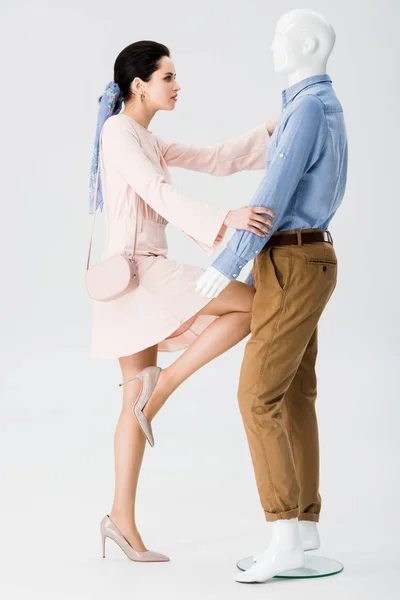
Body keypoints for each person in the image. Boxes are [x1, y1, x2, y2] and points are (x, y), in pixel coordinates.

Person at [89, 40, 277, 562]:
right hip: (138, 273)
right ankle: (164, 386)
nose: (177, 85)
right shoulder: (119, 133)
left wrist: (272, 130)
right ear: (139, 85)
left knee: (131, 403)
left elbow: (217, 159)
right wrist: (226, 220)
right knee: (254, 304)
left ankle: (119, 522)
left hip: (140, 275)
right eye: (168, 77)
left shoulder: (147, 137)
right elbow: (155, 191)